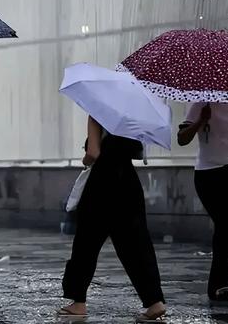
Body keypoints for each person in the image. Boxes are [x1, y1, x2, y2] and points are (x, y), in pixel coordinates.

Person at [59, 117, 166, 320]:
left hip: (102, 181)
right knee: (136, 244)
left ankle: (78, 302)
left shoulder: (98, 111)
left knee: (86, 244)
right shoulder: (133, 113)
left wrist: (85, 160)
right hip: (128, 182)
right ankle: (154, 301)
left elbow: (93, 153)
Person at [178, 102, 228, 302]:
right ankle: (218, 285)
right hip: (208, 174)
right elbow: (182, 139)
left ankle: (220, 285)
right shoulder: (200, 103)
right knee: (224, 225)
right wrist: (201, 120)